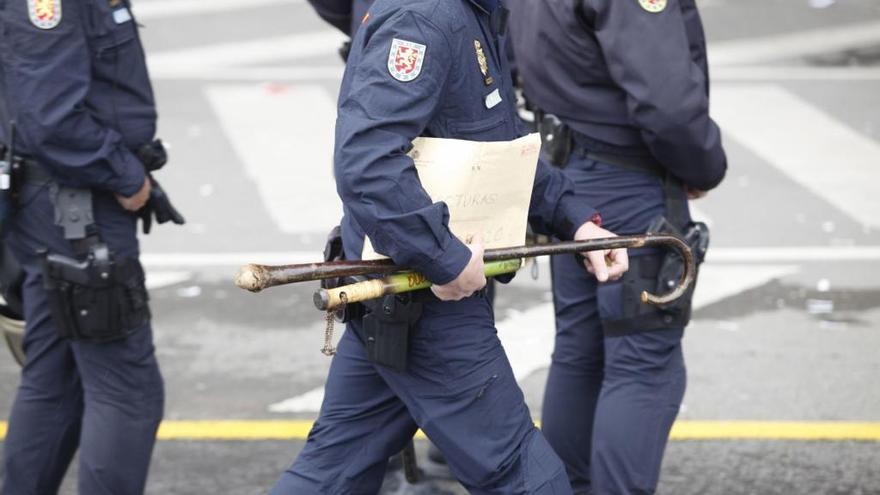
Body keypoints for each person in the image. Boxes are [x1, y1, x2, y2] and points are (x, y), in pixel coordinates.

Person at [270, 0, 629, 493]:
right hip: (424, 300)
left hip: (399, 295)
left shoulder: (474, 11)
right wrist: (443, 258)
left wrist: (576, 223)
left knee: (333, 473)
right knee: (525, 476)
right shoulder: (428, 18)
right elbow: (366, 164)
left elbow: (497, 148)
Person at [507, 0, 727, 493]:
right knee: (643, 363)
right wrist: (702, 164)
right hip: (626, 177)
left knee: (580, 352)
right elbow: (667, 103)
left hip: (566, 172)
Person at [0, 1, 175, 493]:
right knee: (128, 390)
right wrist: (122, 173)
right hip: (76, 206)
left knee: (57, 379)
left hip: (59, 201)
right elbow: (52, 118)